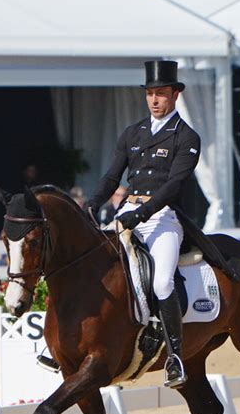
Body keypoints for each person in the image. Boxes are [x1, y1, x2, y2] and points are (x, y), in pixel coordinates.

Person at [83, 60, 200, 389]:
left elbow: (173, 186)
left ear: (175, 95)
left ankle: (175, 356)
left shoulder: (186, 137)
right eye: (150, 94)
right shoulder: (132, 133)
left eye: (161, 94)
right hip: (127, 213)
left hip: (163, 218)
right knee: (98, 271)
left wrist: (142, 212)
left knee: (162, 283)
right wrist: (92, 202)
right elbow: (111, 176)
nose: (154, 100)